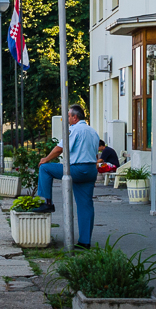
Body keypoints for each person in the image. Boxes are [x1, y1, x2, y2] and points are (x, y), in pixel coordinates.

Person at [33, 103, 100, 249]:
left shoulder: (73, 130)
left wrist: (46, 159)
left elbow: (60, 149)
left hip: (77, 169)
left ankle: (48, 202)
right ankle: (84, 242)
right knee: (86, 206)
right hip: (90, 170)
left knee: (45, 168)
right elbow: (95, 153)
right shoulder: (93, 131)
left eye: (68, 116)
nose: (67, 119)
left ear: (75, 117)